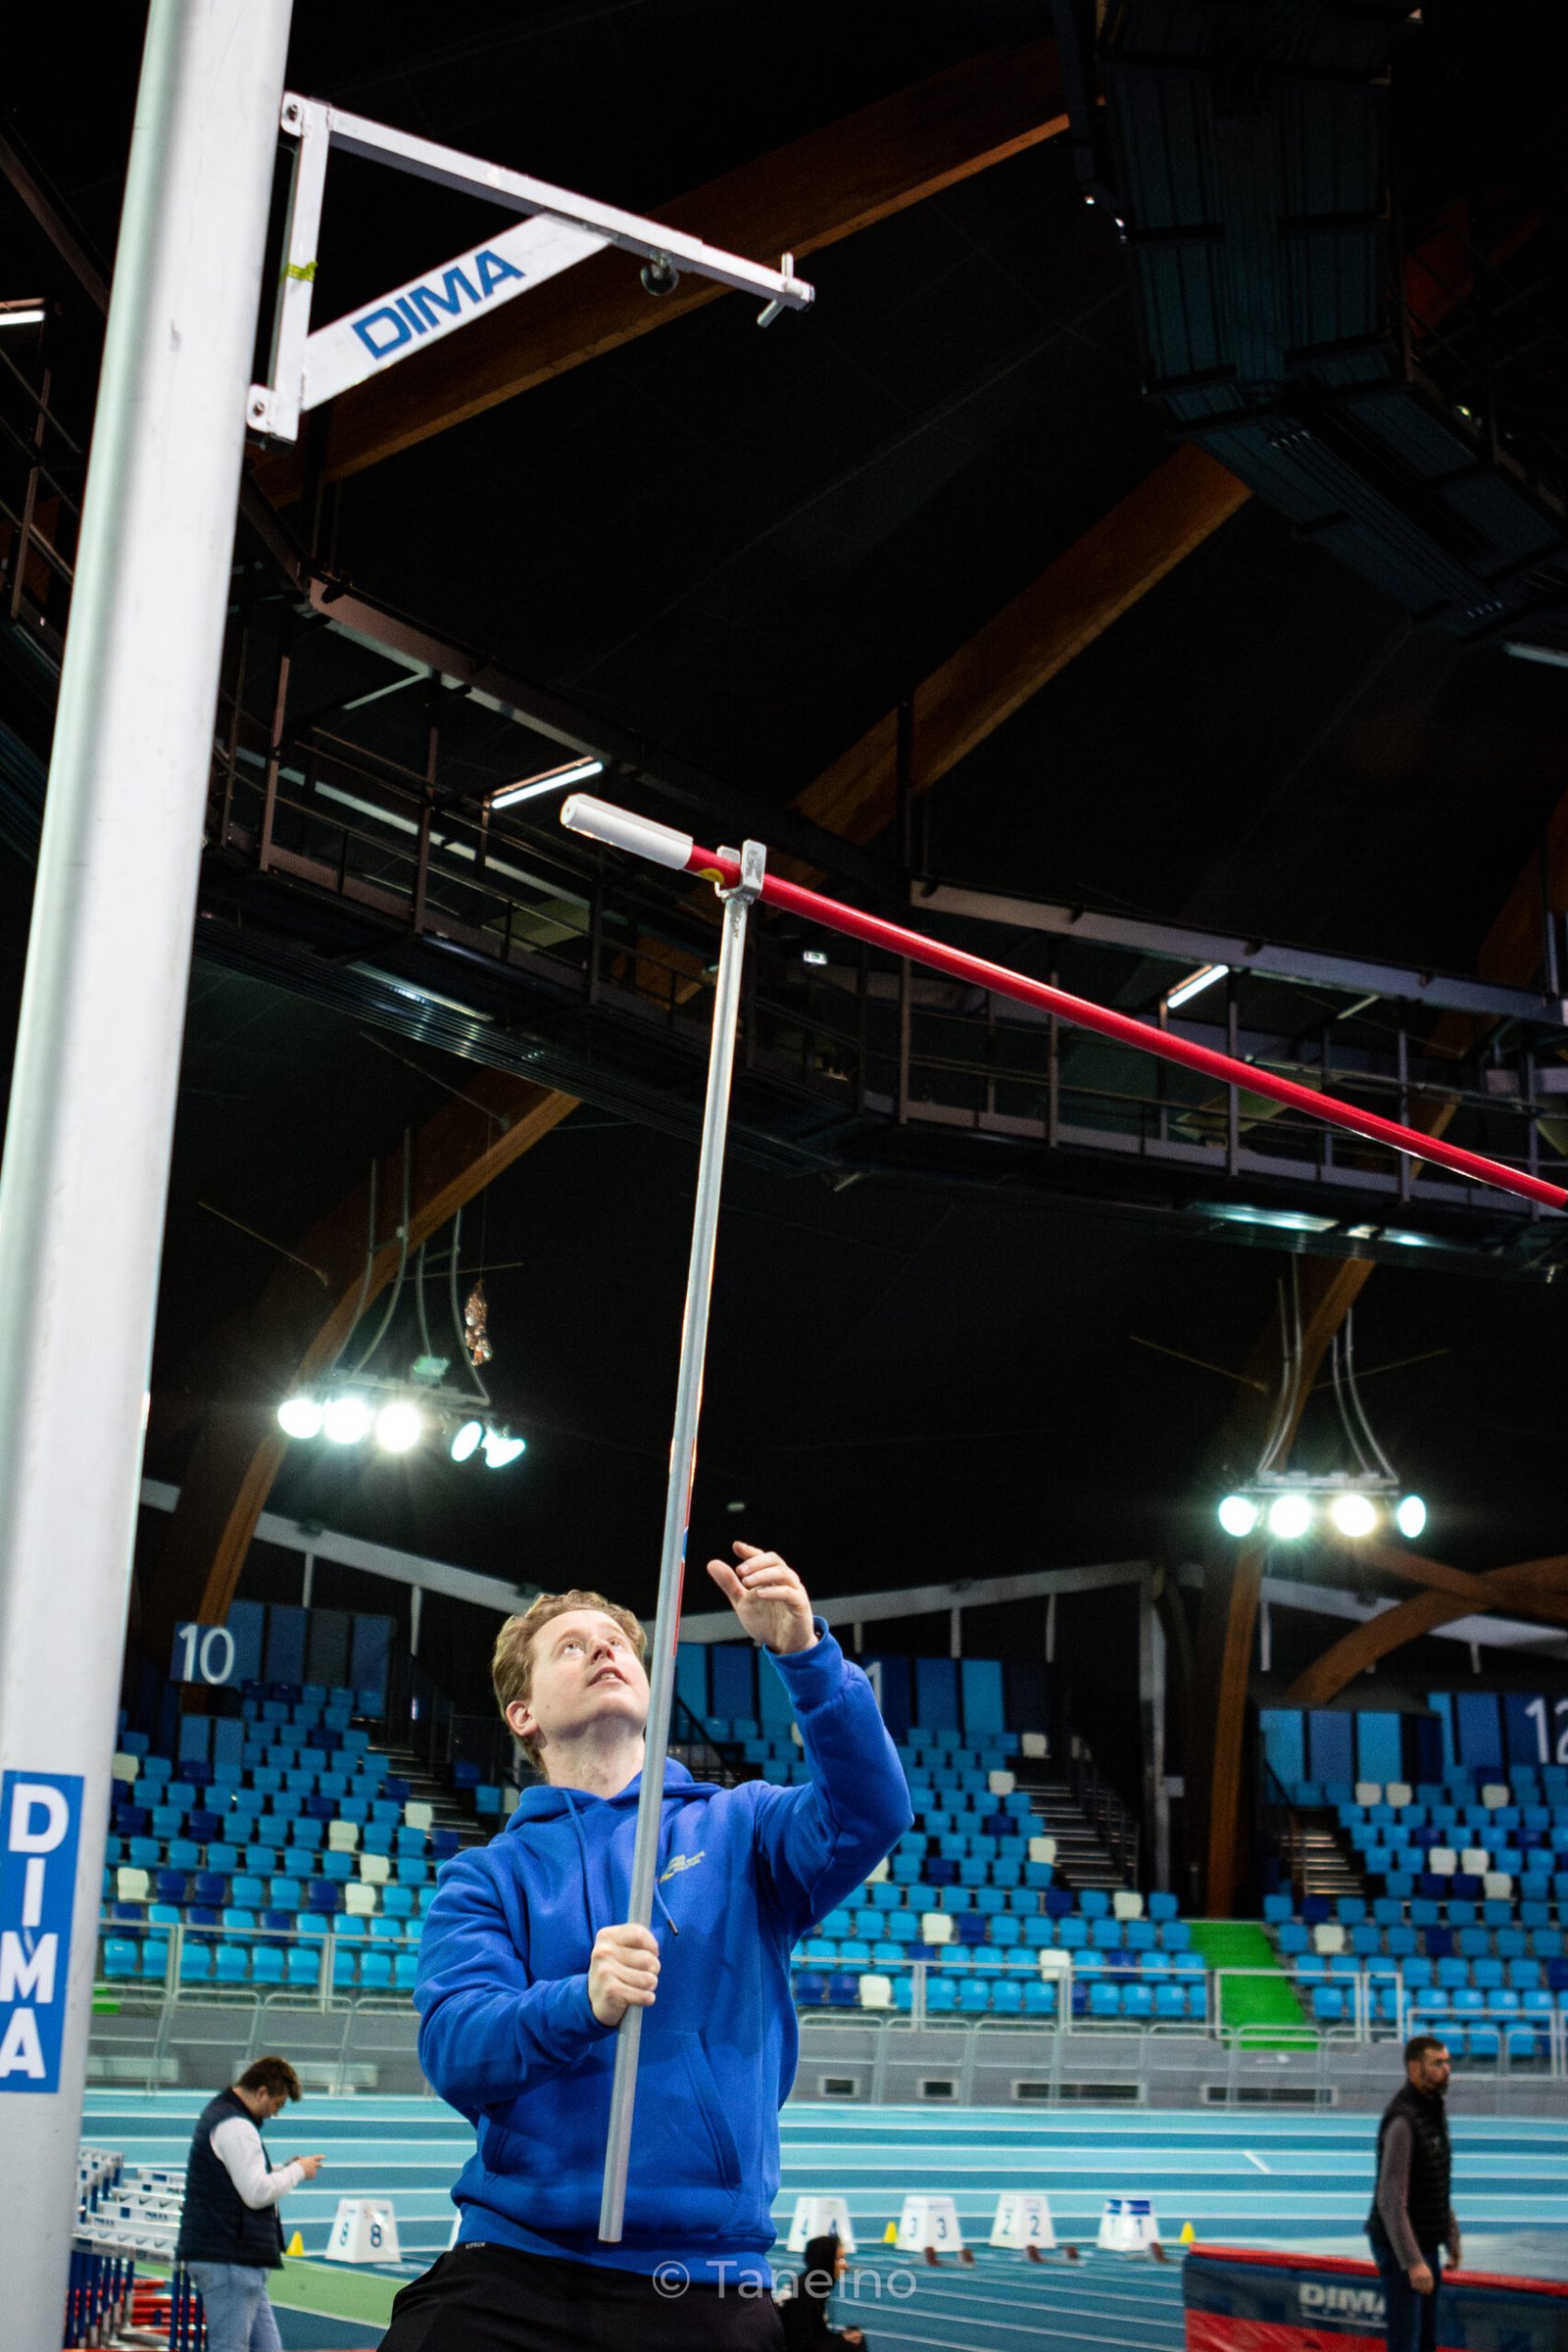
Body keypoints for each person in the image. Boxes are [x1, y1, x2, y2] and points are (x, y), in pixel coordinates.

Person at [378, 1541, 911, 2351]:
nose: (604, 1650)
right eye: (571, 1646)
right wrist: (579, 2004)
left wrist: (804, 1653)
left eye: (618, 1643)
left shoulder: (742, 1826)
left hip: (702, 2276)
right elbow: (455, 2048)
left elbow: (873, 1812)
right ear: (523, 1715)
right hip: (517, 2264)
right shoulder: (487, 1878)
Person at [175, 2054, 325, 2352]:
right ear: (262, 2092)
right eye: (277, 2103)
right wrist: (297, 2172)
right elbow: (256, 2193)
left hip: (234, 2257)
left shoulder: (225, 2116)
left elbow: (238, 2180)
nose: (275, 2113)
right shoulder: (236, 2127)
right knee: (229, 2347)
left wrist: (282, 2170)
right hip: (230, 2258)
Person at [1366, 2034, 1461, 2352]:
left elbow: (1434, 2180)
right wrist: (1412, 2262)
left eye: (1447, 2062)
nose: (1446, 2069)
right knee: (1406, 2341)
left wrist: (1450, 2234)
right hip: (1400, 2248)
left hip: (1426, 2241)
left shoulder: (1433, 2110)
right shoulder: (1403, 2122)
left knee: (1426, 2340)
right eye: (1438, 2063)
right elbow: (1391, 2201)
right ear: (1414, 2068)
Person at [781, 2233, 866, 2349]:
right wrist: (842, 2341)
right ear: (825, 2261)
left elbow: (816, 2335)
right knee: (851, 2345)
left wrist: (843, 2338)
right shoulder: (804, 2293)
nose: (845, 2266)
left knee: (855, 2338)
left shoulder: (813, 2287)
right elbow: (802, 2345)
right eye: (839, 2259)